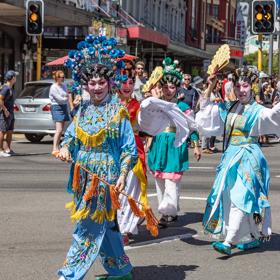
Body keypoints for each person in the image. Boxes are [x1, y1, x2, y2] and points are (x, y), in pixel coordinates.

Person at [57, 34, 137, 280]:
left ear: (110, 82)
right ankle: (121, 270)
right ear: (85, 84)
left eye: (101, 81)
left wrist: (123, 175)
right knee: (108, 226)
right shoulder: (82, 109)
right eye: (92, 83)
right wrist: (65, 148)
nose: (97, 87)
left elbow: (128, 148)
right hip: (83, 177)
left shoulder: (118, 111)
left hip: (105, 179)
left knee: (87, 228)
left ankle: (70, 275)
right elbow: (71, 136)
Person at [197, 66, 280, 255]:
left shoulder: (258, 110)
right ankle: (249, 236)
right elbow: (206, 112)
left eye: (245, 86)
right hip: (229, 157)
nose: (241, 90)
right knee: (228, 196)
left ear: (252, 87)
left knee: (241, 198)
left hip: (248, 157)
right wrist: (210, 87)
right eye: (238, 86)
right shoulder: (230, 107)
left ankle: (228, 241)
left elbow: (274, 116)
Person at [145, 58, 201, 228]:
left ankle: (166, 212)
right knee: (160, 181)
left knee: (172, 181)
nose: (168, 90)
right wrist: (147, 141)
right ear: (160, 88)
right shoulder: (156, 105)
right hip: (159, 144)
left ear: (176, 88)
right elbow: (147, 125)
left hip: (175, 145)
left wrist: (197, 146)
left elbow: (192, 127)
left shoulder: (182, 106)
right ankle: (170, 211)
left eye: (172, 87)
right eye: (165, 87)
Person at [117, 69, 148, 245]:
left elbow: (144, 130)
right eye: (123, 81)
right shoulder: (109, 104)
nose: (127, 86)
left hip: (133, 154)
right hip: (112, 154)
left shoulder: (138, 106)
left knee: (127, 192)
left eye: (130, 82)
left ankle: (125, 229)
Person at [49, 70, 70, 154]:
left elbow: (67, 95)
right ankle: (54, 147)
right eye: (61, 77)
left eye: (63, 77)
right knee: (59, 129)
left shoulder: (63, 85)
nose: (63, 78)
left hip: (63, 107)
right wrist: (65, 97)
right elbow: (60, 99)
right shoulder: (53, 87)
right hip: (57, 107)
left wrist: (65, 97)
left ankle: (58, 145)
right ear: (57, 78)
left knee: (62, 130)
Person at [0, 70, 17, 157]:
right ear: (12, 78)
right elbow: (0, 99)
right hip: (5, 113)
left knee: (10, 131)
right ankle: (1, 150)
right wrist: (5, 110)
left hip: (11, 112)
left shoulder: (11, 88)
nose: (16, 78)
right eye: (15, 76)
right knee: (3, 131)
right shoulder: (5, 88)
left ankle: (8, 149)